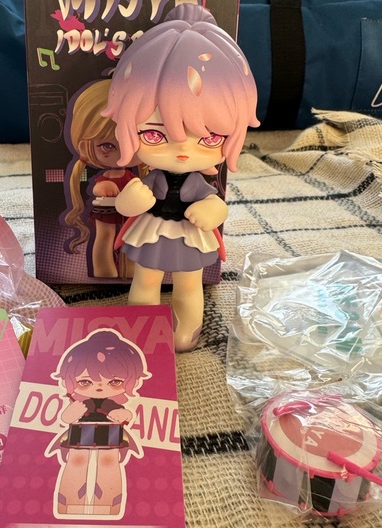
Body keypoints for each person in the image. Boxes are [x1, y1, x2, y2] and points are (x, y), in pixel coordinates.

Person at [103, 4, 259, 351]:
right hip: (153, 230)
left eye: (209, 138)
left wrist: (213, 210)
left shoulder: (197, 183)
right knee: (145, 283)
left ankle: (186, 335)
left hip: (190, 235)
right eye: (155, 134)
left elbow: (215, 204)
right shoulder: (152, 178)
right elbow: (125, 206)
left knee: (189, 286)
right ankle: (143, 337)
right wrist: (131, 200)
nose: (183, 151)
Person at [48, 329, 150, 518]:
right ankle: (68, 504)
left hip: (110, 431)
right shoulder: (82, 404)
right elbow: (67, 418)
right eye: (86, 382)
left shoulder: (110, 404)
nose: (100, 387)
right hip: (81, 430)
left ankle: (109, 506)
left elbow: (125, 414)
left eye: (115, 382)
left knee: (108, 462)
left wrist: (124, 414)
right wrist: (70, 414)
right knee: (76, 461)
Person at [64, 79, 140, 278]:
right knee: (105, 236)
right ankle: (104, 270)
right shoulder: (107, 177)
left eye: (133, 143)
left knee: (132, 237)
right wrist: (103, 187)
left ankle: (131, 270)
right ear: (86, 145)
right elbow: (98, 188)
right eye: (108, 146)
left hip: (131, 209)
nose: (123, 154)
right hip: (107, 207)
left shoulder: (133, 177)